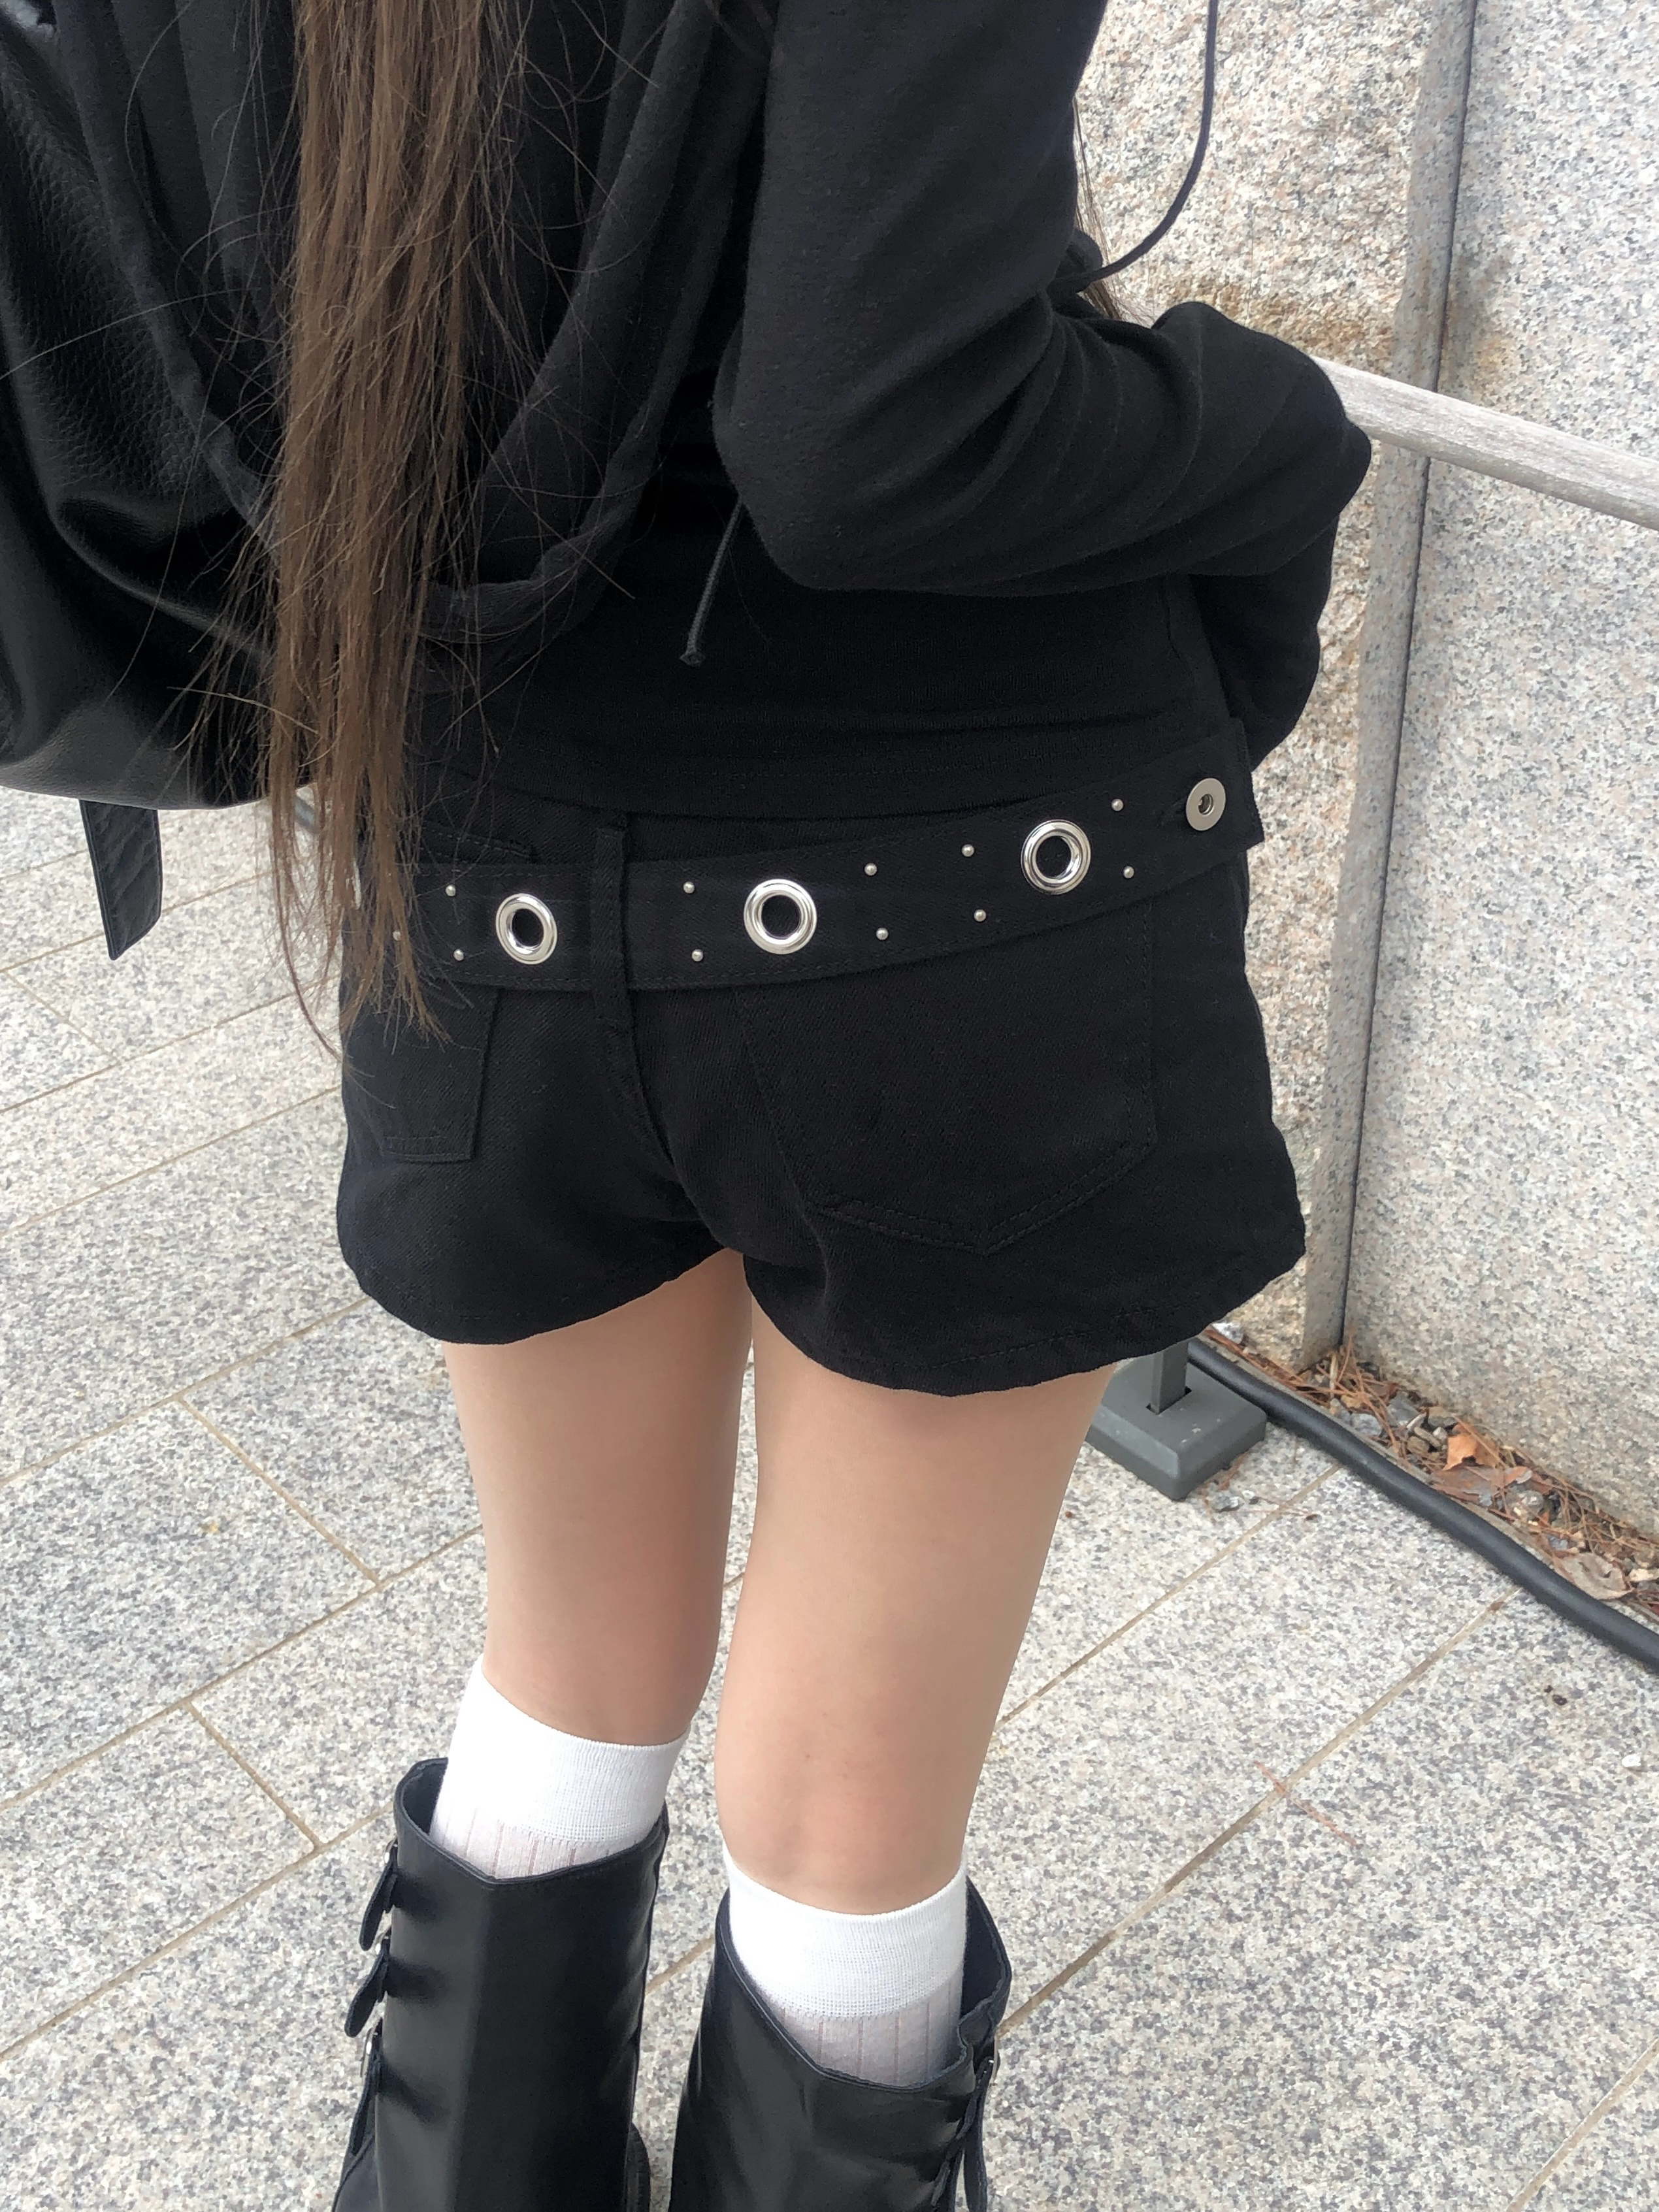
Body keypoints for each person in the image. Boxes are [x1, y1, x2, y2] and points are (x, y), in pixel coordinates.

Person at [0, 0, 1370, 2204]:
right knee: (842, 1818)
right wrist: (1277, 423)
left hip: (489, 859)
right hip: (953, 906)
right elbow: (878, 430)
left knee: (564, 1674)